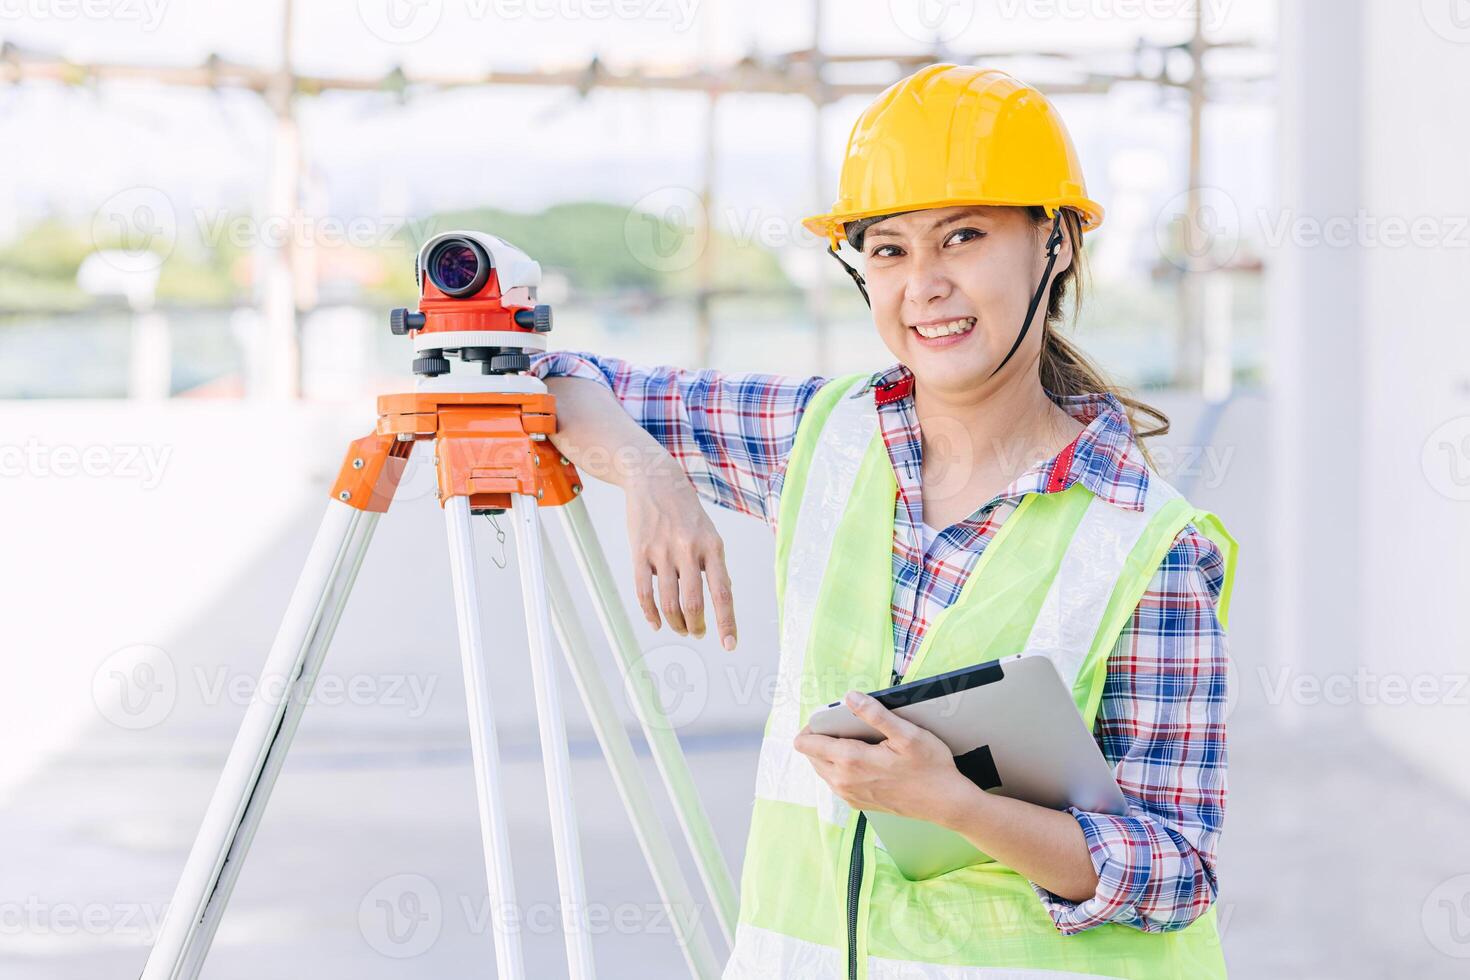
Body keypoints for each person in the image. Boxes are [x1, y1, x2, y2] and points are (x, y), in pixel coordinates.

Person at [529, 63, 1236, 980]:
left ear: (1054, 244)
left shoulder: (1147, 544)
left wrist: (955, 804)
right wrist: (649, 474)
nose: (923, 286)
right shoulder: (823, 438)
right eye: (889, 249)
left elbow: (1178, 870)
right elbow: (527, 371)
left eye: (964, 237)